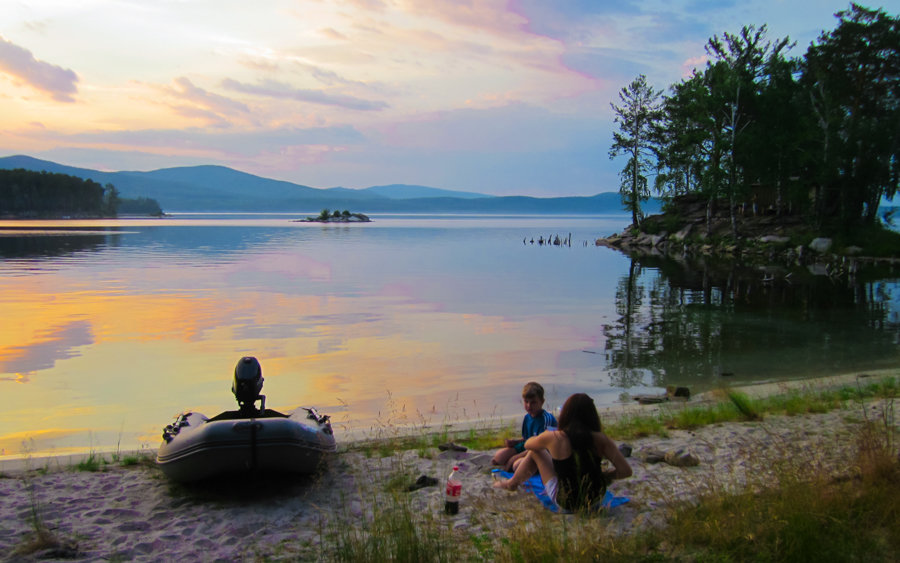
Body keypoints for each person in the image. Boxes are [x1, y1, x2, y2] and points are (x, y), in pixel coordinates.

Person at [493, 392, 632, 513]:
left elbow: (529, 444)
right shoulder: (601, 439)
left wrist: (544, 438)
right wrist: (604, 476)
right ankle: (511, 483)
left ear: (566, 414)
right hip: (595, 501)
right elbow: (626, 471)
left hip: (566, 503)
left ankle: (511, 484)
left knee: (534, 452)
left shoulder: (555, 437)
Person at [492, 382, 558, 471]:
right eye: (526, 402)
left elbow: (543, 446)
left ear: (542, 402)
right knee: (499, 456)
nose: (529, 406)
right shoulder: (527, 417)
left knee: (516, 464)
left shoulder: (547, 419)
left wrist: (515, 457)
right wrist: (515, 442)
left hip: (540, 452)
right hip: (528, 446)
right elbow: (526, 439)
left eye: (533, 402)